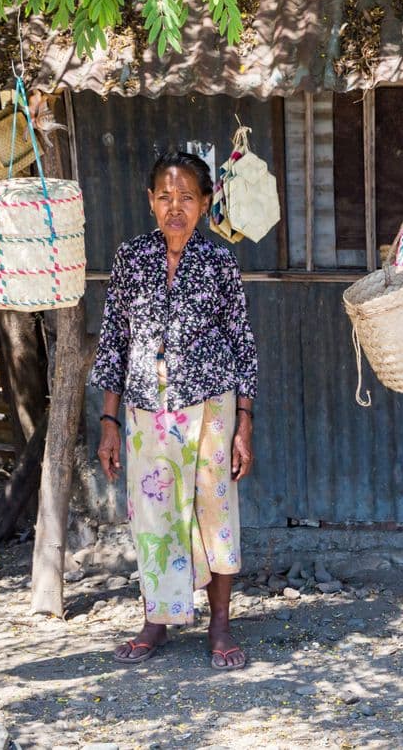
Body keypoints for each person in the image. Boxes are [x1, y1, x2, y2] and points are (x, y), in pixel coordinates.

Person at [89, 150, 258, 669]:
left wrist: (244, 425)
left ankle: (221, 626)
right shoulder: (131, 258)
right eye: (165, 196)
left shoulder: (219, 263)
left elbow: (242, 344)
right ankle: (156, 622)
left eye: (187, 197)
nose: (175, 207)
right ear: (150, 202)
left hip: (211, 408)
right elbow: (115, 341)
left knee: (214, 514)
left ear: (205, 204)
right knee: (154, 518)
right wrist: (109, 421)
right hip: (146, 412)